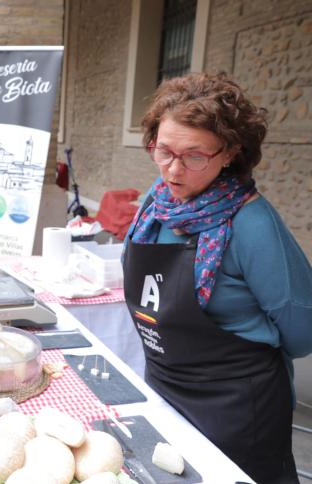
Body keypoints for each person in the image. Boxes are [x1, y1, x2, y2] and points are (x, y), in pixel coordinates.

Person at [123, 72, 312, 483]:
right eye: (164, 151)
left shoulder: (252, 224)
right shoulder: (155, 207)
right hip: (164, 392)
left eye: (194, 157)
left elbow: (303, 331)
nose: (173, 171)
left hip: (237, 411)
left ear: (229, 153)